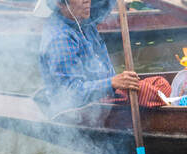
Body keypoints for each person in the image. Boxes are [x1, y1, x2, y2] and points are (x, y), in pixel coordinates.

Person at [36, 0, 169, 117]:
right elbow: (69, 94)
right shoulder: (60, 38)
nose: (87, 1)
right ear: (60, 3)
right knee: (150, 94)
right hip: (82, 109)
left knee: (161, 84)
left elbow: (103, 5)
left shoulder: (83, 21)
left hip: (107, 95)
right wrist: (111, 83)